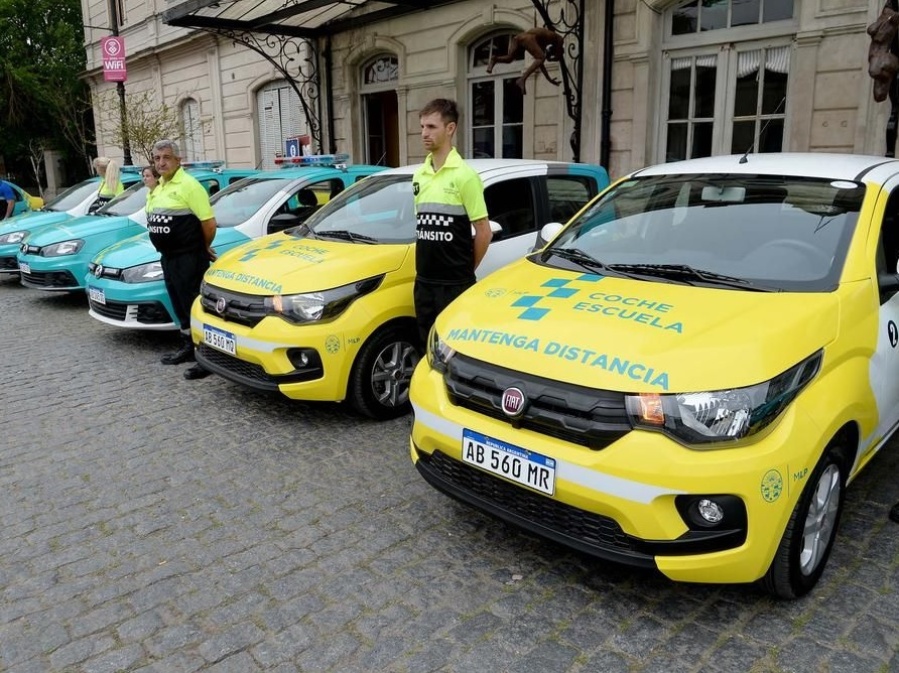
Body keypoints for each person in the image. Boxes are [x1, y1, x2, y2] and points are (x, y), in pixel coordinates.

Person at [413, 98, 491, 346]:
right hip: (424, 282)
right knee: (428, 346)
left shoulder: (465, 176)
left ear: (450, 129)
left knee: (454, 348)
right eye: (422, 127)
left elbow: (484, 232)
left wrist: (465, 272)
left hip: (455, 284)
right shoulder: (419, 175)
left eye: (432, 127)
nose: (425, 133)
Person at [148, 139, 216, 380]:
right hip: (169, 258)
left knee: (195, 307)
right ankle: (188, 347)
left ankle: (205, 358)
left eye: (166, 157)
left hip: (189, 258)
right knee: (180, 306)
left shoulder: (190, 185)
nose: (161, 162)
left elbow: (208, 223)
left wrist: (203, 246)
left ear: (178, 160)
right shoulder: (160, 187)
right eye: (157, 159)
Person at [487, 26, 565, 94]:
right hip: (528, 38)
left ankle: (495, 59)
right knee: (541, 58)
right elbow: (557, 56)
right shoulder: (559, 40)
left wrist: (549, 79)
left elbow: (540, 63)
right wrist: (552, 59)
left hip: (518, 38)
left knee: (509, 59)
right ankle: (522, 79)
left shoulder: (543, 41)